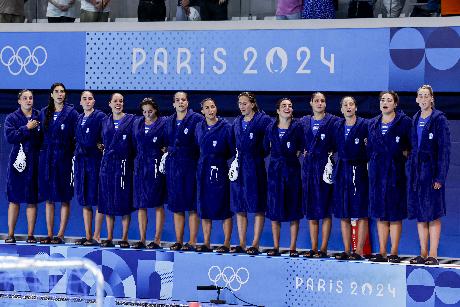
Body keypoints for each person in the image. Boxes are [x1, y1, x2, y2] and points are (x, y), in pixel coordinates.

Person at [407, 85, 450, 265]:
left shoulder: (439, 119)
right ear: (416, 99)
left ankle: (433, 254)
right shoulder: (415, 119)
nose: (423, 99)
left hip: (432, 173)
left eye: (426, 96)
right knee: (420, 214)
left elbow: (445, 150)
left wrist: (440, 176)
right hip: (417, 173)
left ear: (432, 99)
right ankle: (423, 253)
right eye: (420, 96)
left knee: (433, 214)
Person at [368, 91, 411, 263]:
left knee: (394, 213)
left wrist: (402, 157)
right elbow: (369, 148)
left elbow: (410, 146)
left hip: (395, 173)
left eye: (389, 100)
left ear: (395, 104)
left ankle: (393, 252)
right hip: (377, 173)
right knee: (380, 213)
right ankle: (382, 251)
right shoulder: (372, 123)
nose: (385, 103)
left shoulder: (404, 122)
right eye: (382, 100)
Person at [230, 92, 272, 255]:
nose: (242, 106)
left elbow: (267, 144)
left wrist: (258, 154)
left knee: (257, 205)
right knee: (239, 205)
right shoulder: (237, 122)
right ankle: (241, 242)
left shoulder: (263, 120)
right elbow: (233, 143)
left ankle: (254, 243)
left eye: (245, 103)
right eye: (240, 103)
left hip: (255, 166)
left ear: (253, 104)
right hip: (240, 166)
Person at [38, 83, 79, 244]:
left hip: (64, 160)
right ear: (51, 94)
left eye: (62, 91)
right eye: (57, 91)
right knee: (49, 198)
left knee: (64, 198)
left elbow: (78, 136)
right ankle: (49, 234)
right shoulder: (43, 113)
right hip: (47, 160)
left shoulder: (72, 113)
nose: (60, 94)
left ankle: (60, 234)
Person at [301, 92, 339, 258]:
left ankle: (323, 247)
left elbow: (343, 139)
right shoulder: (303, 122)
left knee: (325, 209)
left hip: (325, 167)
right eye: (316, 100)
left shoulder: (334, 121)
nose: (319, 103)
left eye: (322, 101)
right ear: (311, 103)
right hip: (309, 168)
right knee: (311, 209)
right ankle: (313, 247)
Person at [264, 98, 303, 257]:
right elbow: (266, 148)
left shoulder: (298, 127)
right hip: (275, 172)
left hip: (292, 171)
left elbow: (301, 148)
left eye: (290, 106)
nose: (287, 108)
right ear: (278, 111)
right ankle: (276, 246)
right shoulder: (270, 128)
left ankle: (293, 247)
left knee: (293, 208)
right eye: (284, 106)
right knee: (274, 209)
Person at [165, 92, 203, 251]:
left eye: (183, 100)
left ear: (188, 102)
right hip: (174, 167)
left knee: (192, 205)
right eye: (177, 100)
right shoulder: (169, 121)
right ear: (173, 104)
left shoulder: (197, 119)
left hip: (191, 165)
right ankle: (179, 240)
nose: (180, 102)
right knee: (177, 205)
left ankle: (192, 240)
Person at [332, 96, 369, 261]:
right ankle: (347, 250)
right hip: (342, 171)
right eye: (345, 104)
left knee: (360, 211)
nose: (348, 107)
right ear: (341, 109)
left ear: (356, 107)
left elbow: (372, 146)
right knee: (343, 212)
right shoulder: (337, 126)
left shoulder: (364, 125)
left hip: (359, 170)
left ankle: (359, 250)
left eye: (351, 104)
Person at [195, 98, 233, 253]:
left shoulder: (226, 127)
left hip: (220, 169)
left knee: (224, 206)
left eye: (213, 106)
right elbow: (198, 145)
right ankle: (206, 242)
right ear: (202, 111)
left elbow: (231, 149)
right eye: (207, 108)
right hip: (203, 169)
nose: (211, 110)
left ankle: (226, 243)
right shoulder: (199, 127)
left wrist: (218, 159)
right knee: (204, 207)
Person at [98, 93, 135, 248]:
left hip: (124, 165)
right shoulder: (105, 121)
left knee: (124, 202)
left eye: (121, 101)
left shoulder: (132, 120)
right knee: (108, 203)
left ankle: (124, 237)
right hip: (107, 166)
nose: (118, 103)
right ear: (110, 104)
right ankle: (109, 237)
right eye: (115, 101)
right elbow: (100, 140)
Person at [4, 90, 41, 244]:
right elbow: (10, 137)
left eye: (30, 98)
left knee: (32, 199)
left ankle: (30, 235)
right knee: (14, 199)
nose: (28, 100)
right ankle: (11, 234)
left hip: (35, 161)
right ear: (19, 101)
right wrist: (27, 128)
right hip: (17, 163)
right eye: (25, 98)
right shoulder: (11, 118)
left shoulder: (39, 116)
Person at [132, 98, 166, 249]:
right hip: (140, 166)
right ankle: (142, 239)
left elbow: (168, 141)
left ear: (156, 110)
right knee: (141, 204)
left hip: (155, 166)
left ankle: (157, 239)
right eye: (144, 111)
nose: (147, 114)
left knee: (157, 203)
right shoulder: (137, 123)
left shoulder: (163, 123)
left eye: (150, 111)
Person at [73, 91, 105, 246]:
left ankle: (97, 235)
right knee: (84, 200)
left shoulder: (100, 117)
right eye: (84, 99)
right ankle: (88, 236)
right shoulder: (79, 118)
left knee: (98, 200)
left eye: (90, 98)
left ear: (94, 101)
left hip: (95, 162)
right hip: (81, 164)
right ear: (80, 102)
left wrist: (102, 145)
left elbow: (106, 135)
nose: (87, 101)